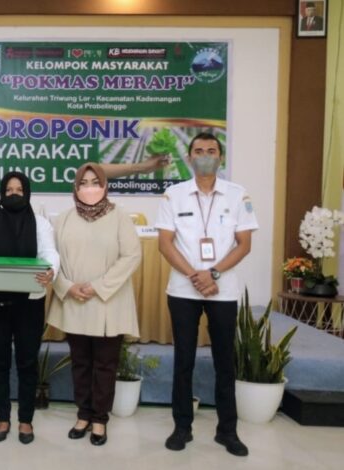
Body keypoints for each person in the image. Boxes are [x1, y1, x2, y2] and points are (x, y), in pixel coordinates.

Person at [156, 132, 258, 457]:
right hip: (183, 290)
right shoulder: (173, 195)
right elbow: (164, 243)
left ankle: (227, 431)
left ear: (220, 157)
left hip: (223, 290)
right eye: (198, 151)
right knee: (183, 359)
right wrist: (195, 276)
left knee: (225, 361)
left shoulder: (238, 195)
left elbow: (244, 244)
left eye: (211, 151)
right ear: (189, 158)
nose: (205, 156)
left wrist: (212, 274)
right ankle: (182, 427)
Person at [47, 163, 142, 447]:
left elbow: (132, 256)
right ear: (75, 187)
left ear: (105, 185)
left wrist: (98, 286)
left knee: (105, 364)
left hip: (107, 302)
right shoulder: (63, 219)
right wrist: (67, 286)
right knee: (80, 363)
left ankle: (100, 418)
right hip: (74, 300)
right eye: (84, 183)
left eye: (95, 182)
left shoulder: (119, 217)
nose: (89, 188)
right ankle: (83, 414)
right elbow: (51, 259)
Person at [0, 172, 60, 445]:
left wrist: (51, 271)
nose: (14, 194)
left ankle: (26, 420)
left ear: (27, 192)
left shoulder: (40, 224)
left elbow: (50, 253)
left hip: (29, 304)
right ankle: (3, 418)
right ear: (2, 193)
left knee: (27, 363)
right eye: (9, 190)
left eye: (19, 189)